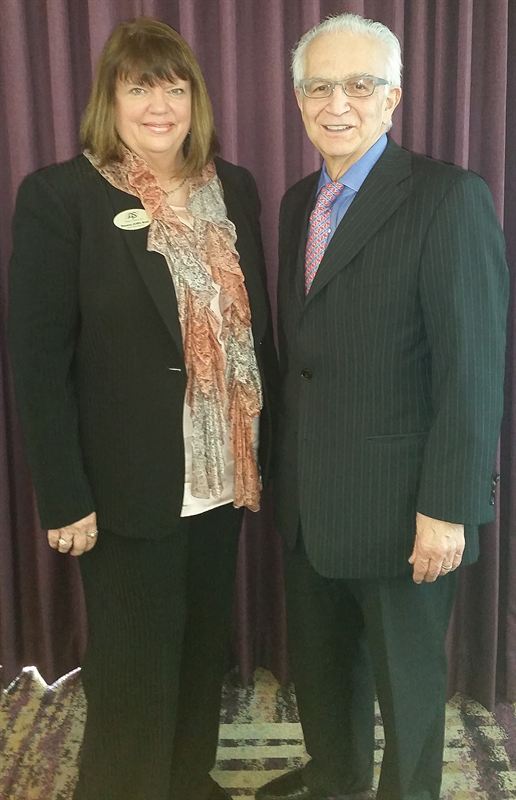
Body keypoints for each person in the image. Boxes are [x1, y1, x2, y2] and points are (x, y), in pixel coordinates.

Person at [8, 17, 277, 800]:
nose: (159, 106)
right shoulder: (62, 196)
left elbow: (255, 335)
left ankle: (187, 783)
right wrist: (65, 495)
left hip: (221, 476)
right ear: (110, 100)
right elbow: (38, 364)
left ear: (196, 99)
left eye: (174, 87)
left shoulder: (235, 188)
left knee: (198, 654)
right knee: (133, 673)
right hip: (124, 487)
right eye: (138, 88)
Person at [257, 12, 508, 800]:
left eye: (360, 85)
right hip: (310, 505)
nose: (338, 104)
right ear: (299, 100)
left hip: (405, 513)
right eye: (319, 87)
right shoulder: (298, 202)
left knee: (407, 693)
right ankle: (334, 781)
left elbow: (472, 370)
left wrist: (449, 507)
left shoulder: (447, 197)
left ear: (393, 97)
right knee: (323, 675)